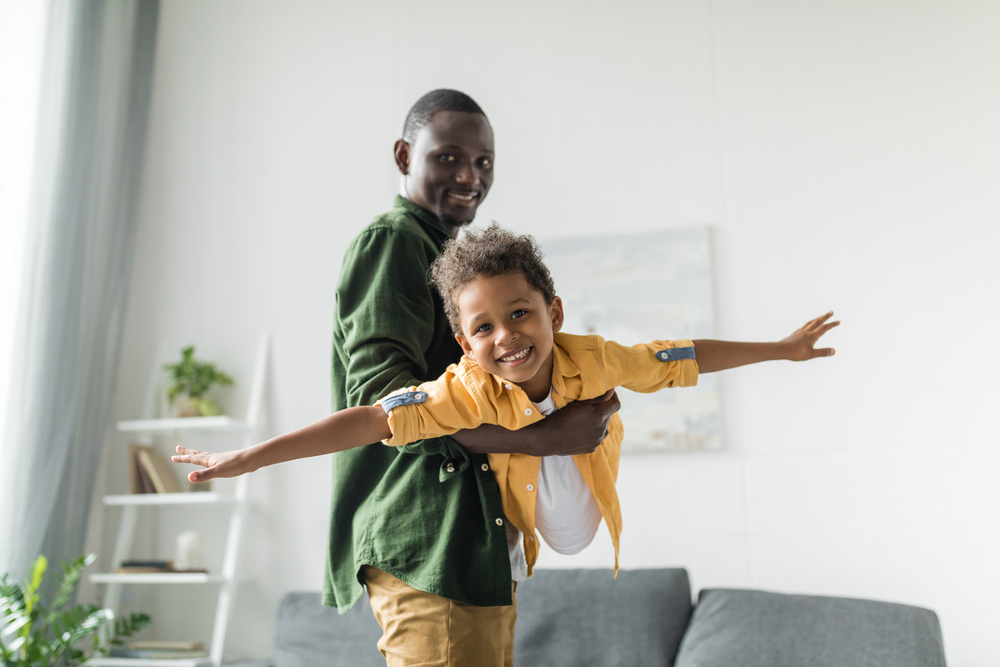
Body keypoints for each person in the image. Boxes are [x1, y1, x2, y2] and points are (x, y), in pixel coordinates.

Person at [180, 90, 623, 667]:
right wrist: (541, 439)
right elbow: (385, 404)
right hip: (427, 536)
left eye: (484, 161)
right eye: (449, 157)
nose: (470, 175)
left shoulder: (453, 260)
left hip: (470, 541)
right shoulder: (395, 243)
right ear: (403, 155)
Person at [174, 223, 838, 574]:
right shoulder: (465, 388)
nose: (507, 337)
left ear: (553, 310)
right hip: (529, 516)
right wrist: (252, 457)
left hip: (586, 494)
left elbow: (683, 356)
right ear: (463, 342)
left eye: (520, 314)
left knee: (619, 396)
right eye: (484, 327)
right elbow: (372, 418)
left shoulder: (594, 356)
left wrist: (780, 349)